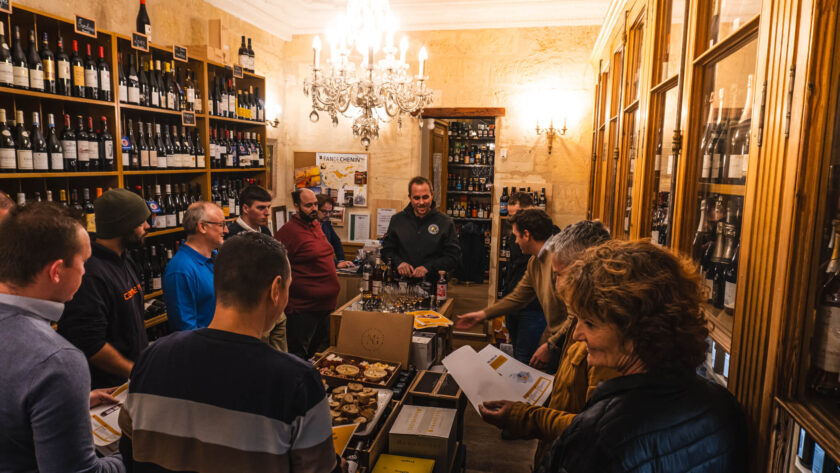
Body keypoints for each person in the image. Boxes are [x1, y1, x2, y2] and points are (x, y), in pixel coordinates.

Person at [119, 232, 340, 473]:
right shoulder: (298, 381)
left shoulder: (151, 358)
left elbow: (129, 455)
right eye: (289, 287)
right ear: (276, 289)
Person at [538, 240, 748, 473]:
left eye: (589, 323)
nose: (577, 334)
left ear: (636, 332)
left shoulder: (599, 434)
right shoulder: (724, 406)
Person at [478, 220, 618, 467]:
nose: (556, 285)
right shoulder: (584, 320)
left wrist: (523, 417)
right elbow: (575, 393)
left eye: (559, 275)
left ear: (584, 272)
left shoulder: (605, 340)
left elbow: (593, 429)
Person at [0, 202, 124, 472]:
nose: (85, 272)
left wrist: (61, 403)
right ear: (56, 271)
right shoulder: (57, 360)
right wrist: (136, 453)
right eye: (84, 262)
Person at [58, 188, 151, 389]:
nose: (147, 226)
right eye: (140, 222)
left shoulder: (124, 258)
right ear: (123, 226)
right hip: (107, 390)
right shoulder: (90, 274)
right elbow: (90, 343)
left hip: (132, 381)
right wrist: (134, 370)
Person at [456, 209, 565, 370]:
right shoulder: (535, 262)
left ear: (526, 235)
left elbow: (574, 316)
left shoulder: (559, 260)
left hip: (565, 345)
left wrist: (551, 346)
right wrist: (482, 315)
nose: (515, 241)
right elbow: (518, 297)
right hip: (555, 341)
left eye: (516, 236)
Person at [275, 188, 340, 359]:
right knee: (297, 357)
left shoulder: (316, 225)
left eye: (315, 204)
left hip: (324, 307)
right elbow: (274, 266)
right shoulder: (288, 232)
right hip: (303, 310)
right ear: (296, 207)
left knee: (313, 355)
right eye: (308, 205)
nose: (314, 209)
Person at [163, 202, 227, 331]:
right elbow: (185, 330)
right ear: (202, 227)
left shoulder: (216, 257)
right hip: (206, 343)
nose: (226, 230)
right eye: (221, 225)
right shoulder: (180, 270)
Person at [382, 176, 460, 280]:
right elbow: (386, 251)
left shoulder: (446, 222)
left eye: (425, 197)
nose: (421, 202)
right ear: (410, 197)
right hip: (401, 284)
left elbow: (453, 257)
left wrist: (428, 268)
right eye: (416, 198)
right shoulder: (397, 220)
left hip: (433, 284)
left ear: (432, 195)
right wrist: (399, 263)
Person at [501, 191, 547, 364]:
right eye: (510, 216)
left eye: (517, 215)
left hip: (532, 308)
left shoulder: (547, 236)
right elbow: (512, 269)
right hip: (514, 306)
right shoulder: (515, 235)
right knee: (516, 354)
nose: (513, 220)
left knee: (525, 359)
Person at [317, 194, 354, 269]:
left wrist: (341, 261)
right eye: (324, 212)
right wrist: (336, 263)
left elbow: (336, 241)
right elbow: (318, 252)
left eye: (330, 212)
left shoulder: (326, 223)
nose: (328, 215)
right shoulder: (308, 226)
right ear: (315, 209)